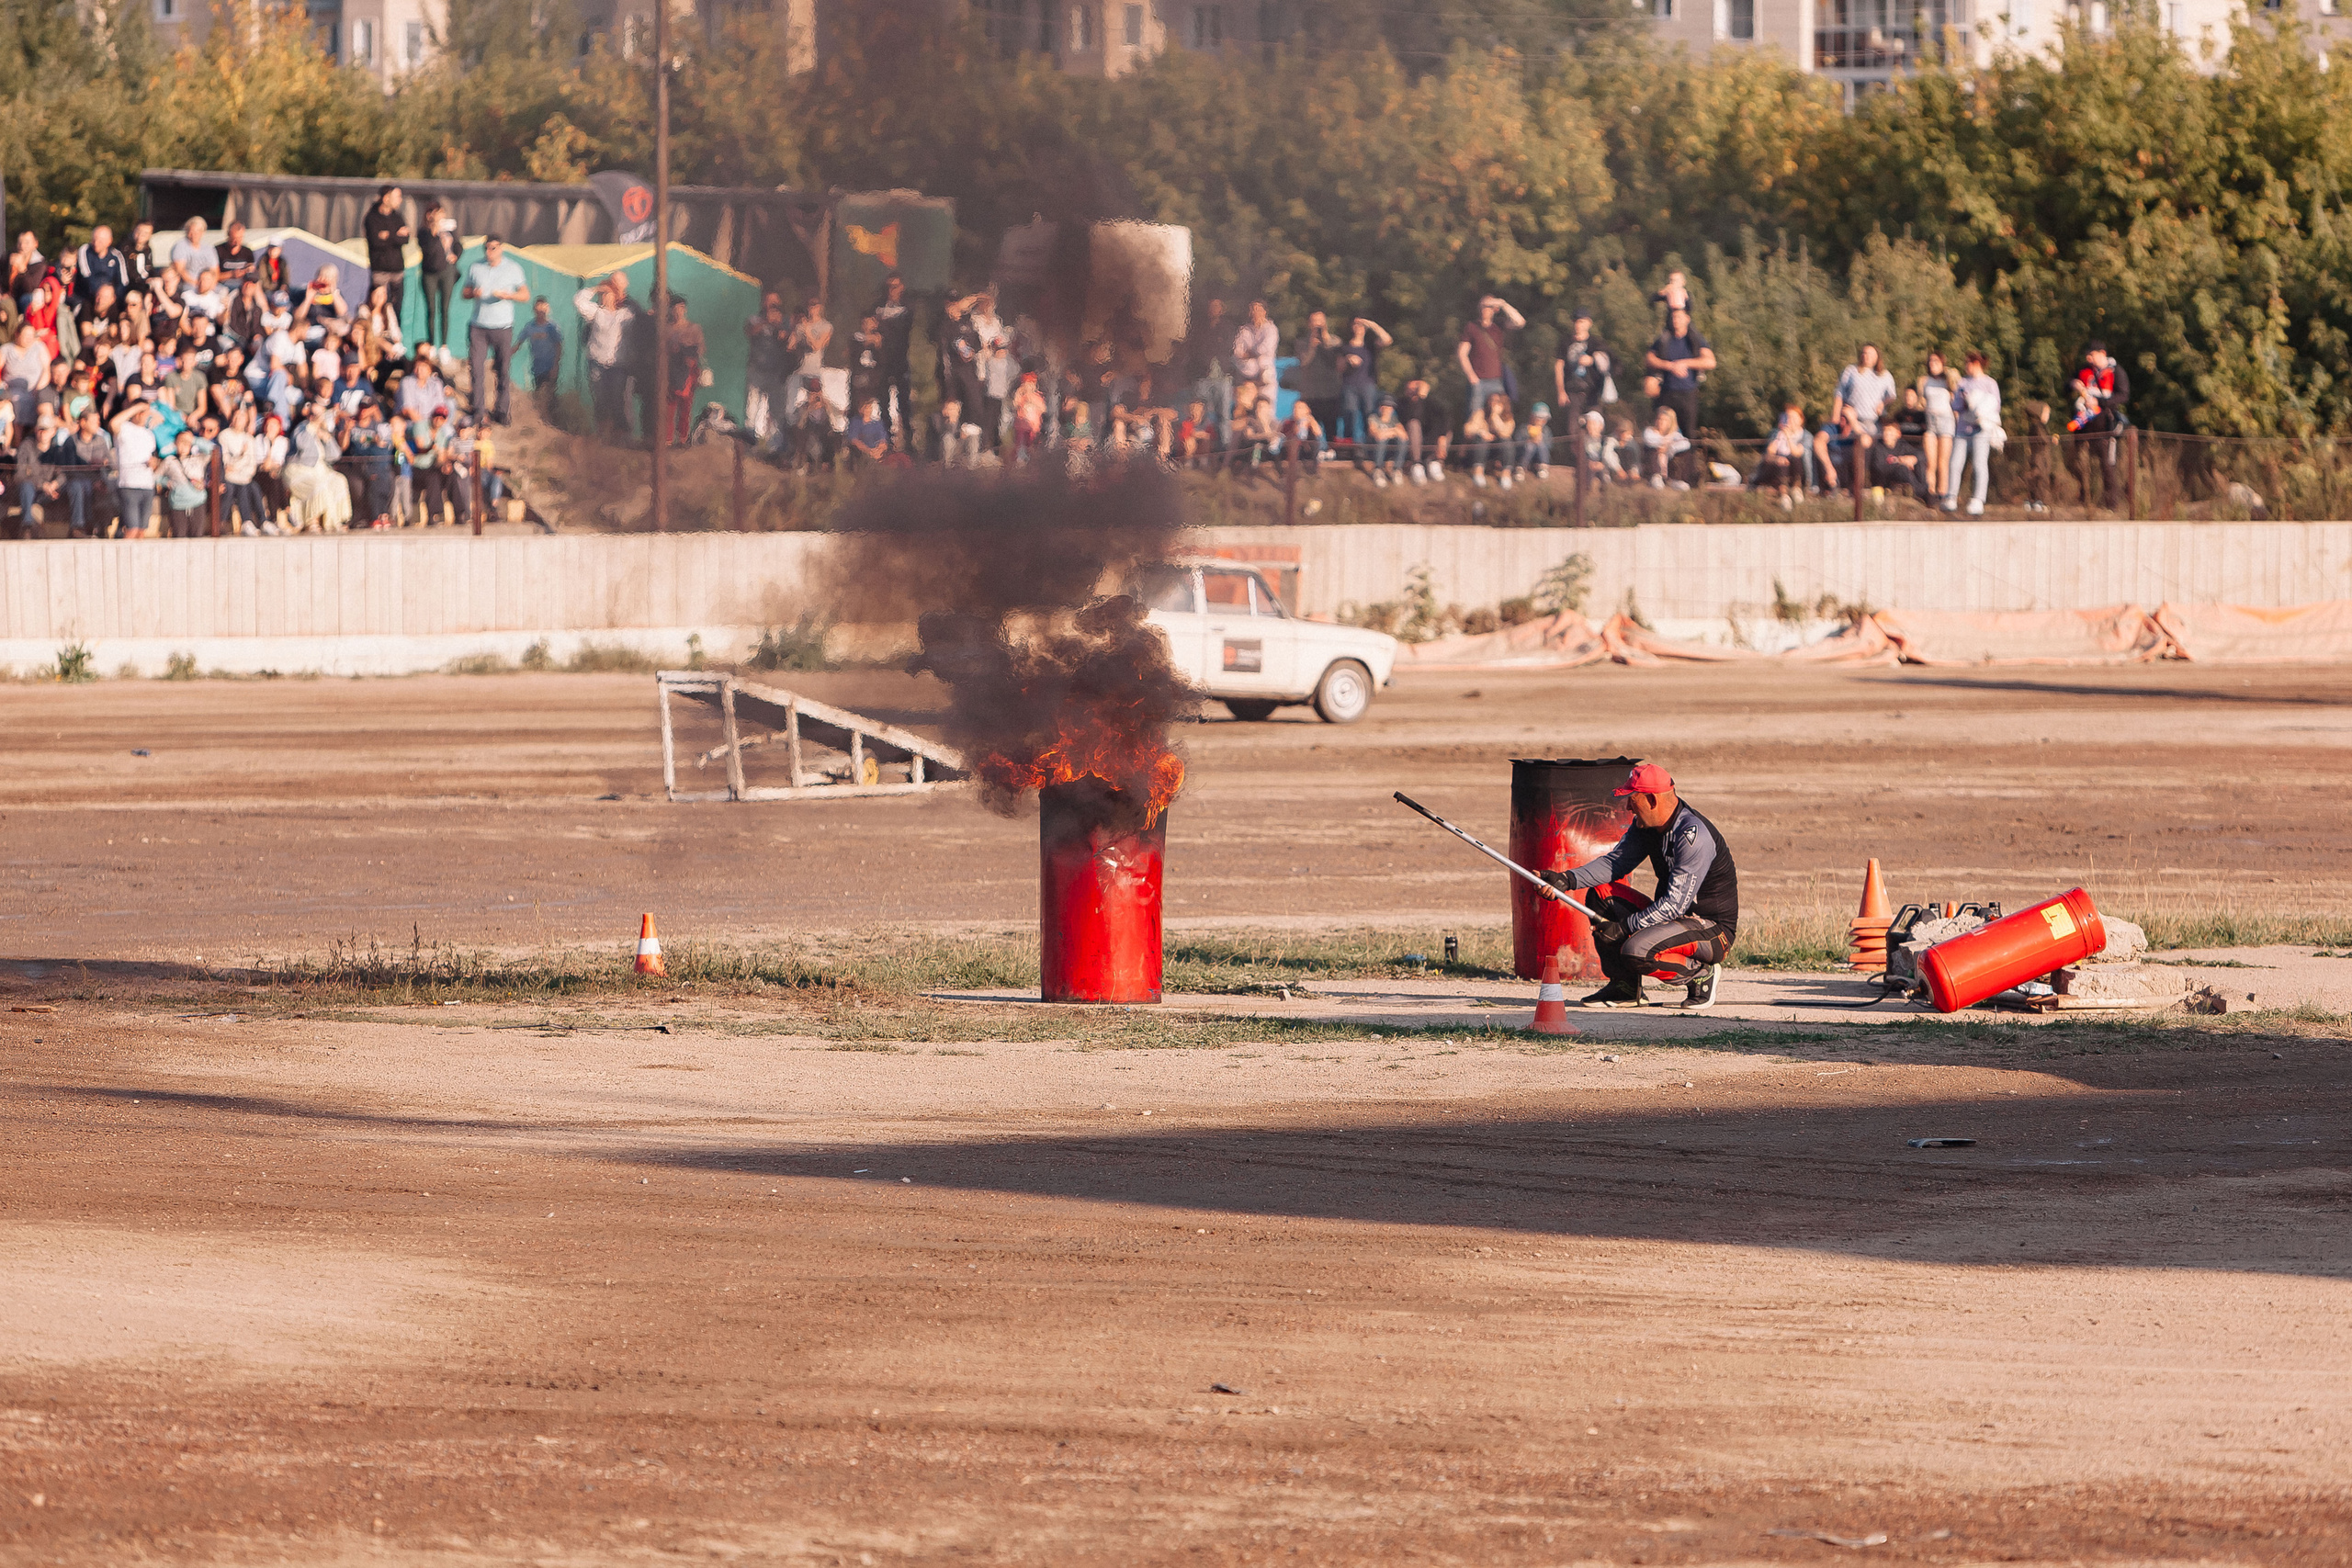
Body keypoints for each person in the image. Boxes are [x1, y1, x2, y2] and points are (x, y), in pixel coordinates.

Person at [1538, 761, 1738, 1010]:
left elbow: (1675, 905)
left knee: (1636, 950)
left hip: (1712, 931)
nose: (1627, 806)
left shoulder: (1692, 835)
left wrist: (1624, 928)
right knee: (1601, 895)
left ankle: (1700, 975)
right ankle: (1625, 988)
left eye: (1632, 799)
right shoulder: (1647, 826)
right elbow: (1615, 863)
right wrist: (1566, 880)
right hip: (1674, 920)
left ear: (1652, 800)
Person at [1643, 304, 1713, 483]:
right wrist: (1670, 366)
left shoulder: (1694, 339)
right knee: (1660, 432)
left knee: (1688, 435)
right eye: (1673, 317)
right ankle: (1656, 474)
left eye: (1680, 317)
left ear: (1687, 319)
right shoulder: (1664, 339)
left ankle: (1687, 476)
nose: (1676, 321)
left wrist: (1686, 363)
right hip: (1666, 392)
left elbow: (1710, 361)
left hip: (1688, 394)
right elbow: (1649, 358)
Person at [462, 234, 526, 426]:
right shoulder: (476, 267)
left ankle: (502, 410)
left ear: (501, 249)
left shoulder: (513, 268)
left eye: (494, 248)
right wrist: (474, 293)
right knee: (476, 369)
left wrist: (509, 295)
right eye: (487, 248)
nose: (490, 252)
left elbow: (525, 294)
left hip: (503, 327)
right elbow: (464, 292)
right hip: (479, 326)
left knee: (503, 370)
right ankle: (478, 411)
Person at [574, 272, 636, 438]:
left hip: (618, 365)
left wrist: (621, 289)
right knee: (600, 399)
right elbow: (578, 301)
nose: (604, 297)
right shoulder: (596, 313)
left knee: (617, 399)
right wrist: (596, 288)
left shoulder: (625, 315)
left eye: (608, 294)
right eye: (603, 294)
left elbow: (640, 317)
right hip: (597, 362)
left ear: (615, 296)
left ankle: (621, 433)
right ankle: (602, 433)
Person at [2074, 341, 2132, 507]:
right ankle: (2086, 500)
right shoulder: (2086, 370)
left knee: (2107, 465)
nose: (2089, 358)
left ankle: (2111, 504)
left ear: (2102, 353)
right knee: (2081, 461)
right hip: (2086, 422)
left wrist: (2100, 402)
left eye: (2092, 355)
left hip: (2107, 424)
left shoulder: (2116, 371)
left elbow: (2123, 396)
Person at [1946, 351, 2002, 515]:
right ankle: (1951, 497)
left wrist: (1980, 407)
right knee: (1955, 463)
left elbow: (1996, 405)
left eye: (1968, 363)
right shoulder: (1963, 383)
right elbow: (1955, 406)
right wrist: (1964, 401)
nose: (1966, 366)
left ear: (1976, 364)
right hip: (1963, 430)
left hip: (1981, 430)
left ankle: (1978, 499)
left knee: (1979, 464)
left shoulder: (1990, 383)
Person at [1456, 294, 1524, 421]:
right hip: (1479, 381)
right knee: (1475, 417)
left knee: (1499, 417)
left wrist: (1503, 304)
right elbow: (1462, 353)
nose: (1485, 310)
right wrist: (1471, 376)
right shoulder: (1472, 327)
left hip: (1497, 381)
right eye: (1483, 306)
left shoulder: (1498, 326)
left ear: (1494, 309)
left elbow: (1520, 322)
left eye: (1488, 307)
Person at [1334, 315, 1391, 449]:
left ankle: (1370, 447)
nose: (1359, 328)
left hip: (1368, 385)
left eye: (1361, 325)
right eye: (1356, 324)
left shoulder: (1370, 346)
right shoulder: (1344, 346)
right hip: (1349, 385)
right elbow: (1338, 367)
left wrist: (1372, 324)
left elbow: (1387, 340)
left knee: (1369, 415)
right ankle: (1348, 447)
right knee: (1350, 413)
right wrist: (1348, 359)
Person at [15, 407, 70, 539]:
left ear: (53, 431)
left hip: (50, 493)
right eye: (40, 429)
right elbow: (20, 474)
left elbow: (63, 474)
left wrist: (54, 485)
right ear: (35, 430)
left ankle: (80, 527)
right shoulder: (26, 446)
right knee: (26, 486)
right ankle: (27, 526)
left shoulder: (57, 451)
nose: (42, 433)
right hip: (31, 491)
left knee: (75, 486)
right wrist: (42, 485)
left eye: (46, 430)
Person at [1184, 296, 1232, 446]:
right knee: (1198, 415)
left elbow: (1229, 348)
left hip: (1222, 377)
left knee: (1223, 415)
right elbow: (1195, 350)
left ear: (1222, 310)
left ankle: (1224, 449)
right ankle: (1198, 450)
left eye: (1217, 307)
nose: (1214, 310)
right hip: (1203, 376)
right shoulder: (1200, 328)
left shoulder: (1227, 327)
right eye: (1211, 307)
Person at [743, 292, 791, 442]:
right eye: (769, 302)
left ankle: (776, 442)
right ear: (764, 303)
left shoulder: (784, 320)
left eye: (775, 302)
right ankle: (750, 436)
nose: (772, 305)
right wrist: (766, 322)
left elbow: (790, 341)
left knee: (777, 407)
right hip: (757, 368)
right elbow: (749, 332)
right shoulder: (755, 319)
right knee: (752, 404)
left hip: (776, 371)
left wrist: (781, 330)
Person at [873, 274, 914, 446]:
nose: (892, 291)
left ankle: (909, 442)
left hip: (900, 361)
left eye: (896, 286)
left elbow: (901, 332)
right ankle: (887, 440)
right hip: (882, 363)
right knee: (883, 401)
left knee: (904, 403)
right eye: (890, 287)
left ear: (902, 288)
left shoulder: (907, 311)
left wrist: (883, 328)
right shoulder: (877, 309)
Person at [109, 398, 161, 538]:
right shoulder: (124, 428)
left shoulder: (149, 434)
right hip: (129, 484)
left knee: (141, 531)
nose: (145, 415)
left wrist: (154, 463)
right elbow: (113, 423)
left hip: (147, 485)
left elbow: (153, 458)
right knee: (131, 529)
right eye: (143, 412)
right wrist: (136, 408)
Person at [1554, 310, 1613, 429]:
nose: (1578, 325)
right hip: (1573, 391)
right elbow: (1558, 366)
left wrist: (1592, 360)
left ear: (1589, 323)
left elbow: (1610, 364)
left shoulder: (1596, 343)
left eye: (1581, 322)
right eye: (1575, 322)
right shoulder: (1565, 342)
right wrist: (1561, 391)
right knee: (1573, 430)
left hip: (1593, 392)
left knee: (1594, 428)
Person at [418, 199, 461, 351]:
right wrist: (435, 231)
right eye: (439, 213)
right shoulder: (424, 232)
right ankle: (431, 344)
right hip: (430, 273)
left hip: (447, 272)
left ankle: (444, 345)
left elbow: (458, 245)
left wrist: (455, 255)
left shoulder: (449, 229)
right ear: (430, 215)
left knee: (445, 308)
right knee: (431, 309)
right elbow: (429, 249)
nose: (442, 216)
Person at [363, 184, 412, 319]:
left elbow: (405, 239)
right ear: (386, 198)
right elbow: (376, 241)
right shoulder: (372, 218)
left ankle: (395, 337)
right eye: (397, 197)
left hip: (397, 271)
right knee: (379, 307)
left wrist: (387, 235)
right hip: (380, 271)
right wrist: (395, 235)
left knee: (397, 309)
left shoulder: (397, 217)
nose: (400, 200)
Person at [662, 297, 704, 446]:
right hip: (670, 372)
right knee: (669, 406)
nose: (678, 311)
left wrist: (686, 351)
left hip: (689, 371)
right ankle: (667, 439)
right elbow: (662, 350)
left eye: (681, 308)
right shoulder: (666, 329)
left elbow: (700, 349)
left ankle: (683, 438)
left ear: (685, 309)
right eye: (675, 308)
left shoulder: (694, 328)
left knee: (686, 406)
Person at [218, 404, 266, 535]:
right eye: (237, 416)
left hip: (244, 476)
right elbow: (226, 462)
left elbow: (251, 464)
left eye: (242, 417)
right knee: (233, 487)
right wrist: (242, 457)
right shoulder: (224, 436)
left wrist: (238, 462)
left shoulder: (249, 439)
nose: (239, 419)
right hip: (228, 477)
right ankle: (223, 523)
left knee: (249, 486)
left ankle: (256, 522)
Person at [1752, 403, 1814, 502]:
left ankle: (1796, 488)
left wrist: (1788, 437)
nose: (1789, 421)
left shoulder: (1806, 436)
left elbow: (1797, 453)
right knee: (1782, 461)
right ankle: (1784, 495)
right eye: (1787, 417)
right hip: (1778, 470)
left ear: (1801, 420)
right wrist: (1779, 438)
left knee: (1794, 458)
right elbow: (1769, 454)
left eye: (1793, 418)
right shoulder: (1777, 433)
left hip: (1796, 471)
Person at [1917, 350, 1956, 501]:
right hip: (1931, 421)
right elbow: (1921, 401)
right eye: (1930, 361)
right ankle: (1930, 490)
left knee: (1943, 461)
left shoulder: (1948, 380)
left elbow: (1956, 393)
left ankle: (1943, 492)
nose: (1932, 364)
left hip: (1946, 421)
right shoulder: (1924, 381)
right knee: (1930, 460)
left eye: (1936, 361)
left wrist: (1946, 372)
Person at [1395, 376, 1449, 483]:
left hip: (1430, 439)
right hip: (1411, 439)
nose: (1414, 390)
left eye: (1417, 387)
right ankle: (1417, 464)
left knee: (1443, 427)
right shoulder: (1402, 403)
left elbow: (1444, 417)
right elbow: (1412, 417)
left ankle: (1433, 461)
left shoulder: (1431, 402)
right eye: (1412, 387)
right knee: (1414, 424)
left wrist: (1442, 438)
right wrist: (1418, 399)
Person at [518, 297, 564, 423]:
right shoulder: (530, 327)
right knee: (539, 392)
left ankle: (553, 420)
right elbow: (519, 343)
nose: (541, 312)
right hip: (537, 367)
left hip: (550, 366)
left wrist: (556, 365)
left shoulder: (552, 327)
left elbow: (559, 346)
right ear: (534, 310)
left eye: (543, 309)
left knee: (549, 394)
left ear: (548, 310)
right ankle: (543, 419)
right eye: (538, 309)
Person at [1833, 344, 1896, 433]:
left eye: (1870, 354)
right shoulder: (1851, 371)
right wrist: (1835, 416)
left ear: (1877, 357)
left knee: (1870, 438)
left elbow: (1892, 396)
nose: (1866, 356)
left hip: (1873, 420)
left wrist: (1883, 403)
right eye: (1864, 353)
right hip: (1851, 418)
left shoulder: (1885, 375)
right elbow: (1839, 394)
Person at [159, 427, 209, 538]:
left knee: (197, 535)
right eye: (180, 442)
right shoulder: (170, 461)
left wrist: (193, 439)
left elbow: (211, 449)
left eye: (186, 443)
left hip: (197, 501)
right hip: (178, 503)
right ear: (175, 444)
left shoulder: (198, 459)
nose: (183, 445)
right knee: (179, 535)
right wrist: (166, 482)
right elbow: (156, 476)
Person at [1232, 299, 1279, 415]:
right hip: (1246, 376)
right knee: (1243, 408)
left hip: (1265, 376)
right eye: (1252, 310)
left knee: (1265, 408)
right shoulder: (1244, 330)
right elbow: (1237, 351)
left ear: (1264, 312)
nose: (1255, 313)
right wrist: (1250, 354)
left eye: (1258, 309)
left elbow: (1263, 349)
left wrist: (1249, 353)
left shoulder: (1271, 329)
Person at [71, 226, 130, 316]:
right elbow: (86, 277)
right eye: (94, 239)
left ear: (109, 241)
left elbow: (123, 281)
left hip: (111, 299)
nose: (96, 243)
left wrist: (112, 298)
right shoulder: (85, 250)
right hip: (88, 297)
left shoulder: (116, 256)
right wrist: (102, 295)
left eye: (100, 241)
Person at [1869, 416, 1930, 502]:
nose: (1886, 434)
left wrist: (1913, 458)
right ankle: (1923, 493)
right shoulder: (1878, 448)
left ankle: (1923, 492)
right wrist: (1900, 462)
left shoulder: (1902, 445)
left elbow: (1921, 454)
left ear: (1898, 434)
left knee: (1919, 463)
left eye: (1890, 431)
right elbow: (1879, 467)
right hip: (1887, 480)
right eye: (1885, 431)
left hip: (1904, 478)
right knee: (1902, 469)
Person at [1363, 394, 1408, 486]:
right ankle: (1378, 470)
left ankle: (1397, 470)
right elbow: (1377, 434)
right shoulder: (1373, 418)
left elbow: (1404, 436)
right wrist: (1393, 431)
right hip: (1375, 451)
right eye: (1384, 406)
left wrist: (1388, 432)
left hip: (1389, 451)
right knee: (1382, 440)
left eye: (1389, 406)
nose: (1386, 409)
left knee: (1401, 441)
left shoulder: (1394, 420)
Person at [1642, 405, 1690, 488]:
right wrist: (1663, 445)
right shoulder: (1650, 431)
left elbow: (1686, 443)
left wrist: (1669, 448)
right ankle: (1655, 477)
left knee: (1683, 453)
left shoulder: (1674, 434)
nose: (1660, 422)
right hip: (1654, 462)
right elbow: (1649, 441)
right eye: (1659, 419)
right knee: (1653, 450)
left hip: (1668, 461)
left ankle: (1675, 480)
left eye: (1664, 420)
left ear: (1670, 423)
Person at [843, 396, 890, 468]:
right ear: (860, 410)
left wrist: (878, 451)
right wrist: (869, 451)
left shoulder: (877, 423)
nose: (868, 410)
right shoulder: (856, 422)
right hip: (862, 454)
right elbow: (854, 440)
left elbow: (883, 440)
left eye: (870, 407)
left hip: (877, 454)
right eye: (866, 408)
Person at [169, 218, 219, 282]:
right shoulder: (180, 246)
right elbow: (180, 271)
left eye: (197, 231)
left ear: (203, 232)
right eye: (191, 231)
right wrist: (197, 285)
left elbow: (215, 272)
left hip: (207, 285)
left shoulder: (209, 248)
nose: (194, 234)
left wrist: (211, 285)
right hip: (188, 284)